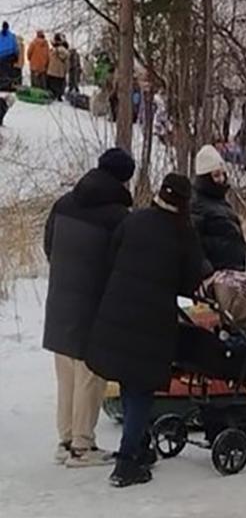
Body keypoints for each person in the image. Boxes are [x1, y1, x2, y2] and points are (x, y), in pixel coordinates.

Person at [86, 174, 206, 487]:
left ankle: (138, 445)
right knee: (140, 388)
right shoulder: (182, 233)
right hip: (150, 321)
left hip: (115, 311)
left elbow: (111, 258)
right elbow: (192, 280)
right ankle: (127, 463)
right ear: (183, 203)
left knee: (129, 381)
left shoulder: (133, 220)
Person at [42, 148, 135, 467]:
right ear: (124, 179)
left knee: (66, 375)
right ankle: (82, 445)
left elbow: (49, 246)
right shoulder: (118, 217)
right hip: (92, 304)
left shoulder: (64, 203)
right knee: (90, 375)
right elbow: (121, 265)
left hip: (59, 300)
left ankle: (65, 440)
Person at [191, 144, 246, 272]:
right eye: (216, 175)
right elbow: (192, 243)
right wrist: (206, 271)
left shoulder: (220, 201)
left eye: (223, 174)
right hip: (215, 278)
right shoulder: (196, 204)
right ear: (204, 177)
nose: (221, 179)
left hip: (231, 275)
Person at [46, 35, 69, 100]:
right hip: (60, 72)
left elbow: (49, 59)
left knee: (51, 85)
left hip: (51, 71)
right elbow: (67, 63)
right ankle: (59, 96)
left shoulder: (53, 50)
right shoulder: (65, 51)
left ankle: (52, 96)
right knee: (59, 85)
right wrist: (66, 71)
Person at [0, 21, 19, 88]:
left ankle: (2, 86)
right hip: (9, 56)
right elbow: (15, 46)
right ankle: (7, 86)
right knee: (8, 72)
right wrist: (16, 56)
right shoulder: (12, 36)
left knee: (2, 73)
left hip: (1, 57)